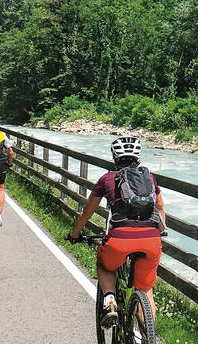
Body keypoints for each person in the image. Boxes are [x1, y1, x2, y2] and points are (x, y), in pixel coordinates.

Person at [66, 136, 167, 324]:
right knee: (145, 290)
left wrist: (74, 235)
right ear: (138, 157)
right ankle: (144, 343)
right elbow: (160, 209)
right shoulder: (150, 178)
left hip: (119, 239)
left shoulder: (106, 179)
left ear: (114, 157)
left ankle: (110, 300)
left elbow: (87, 212)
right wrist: (160, 232)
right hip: (151, 240)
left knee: (104, 266)